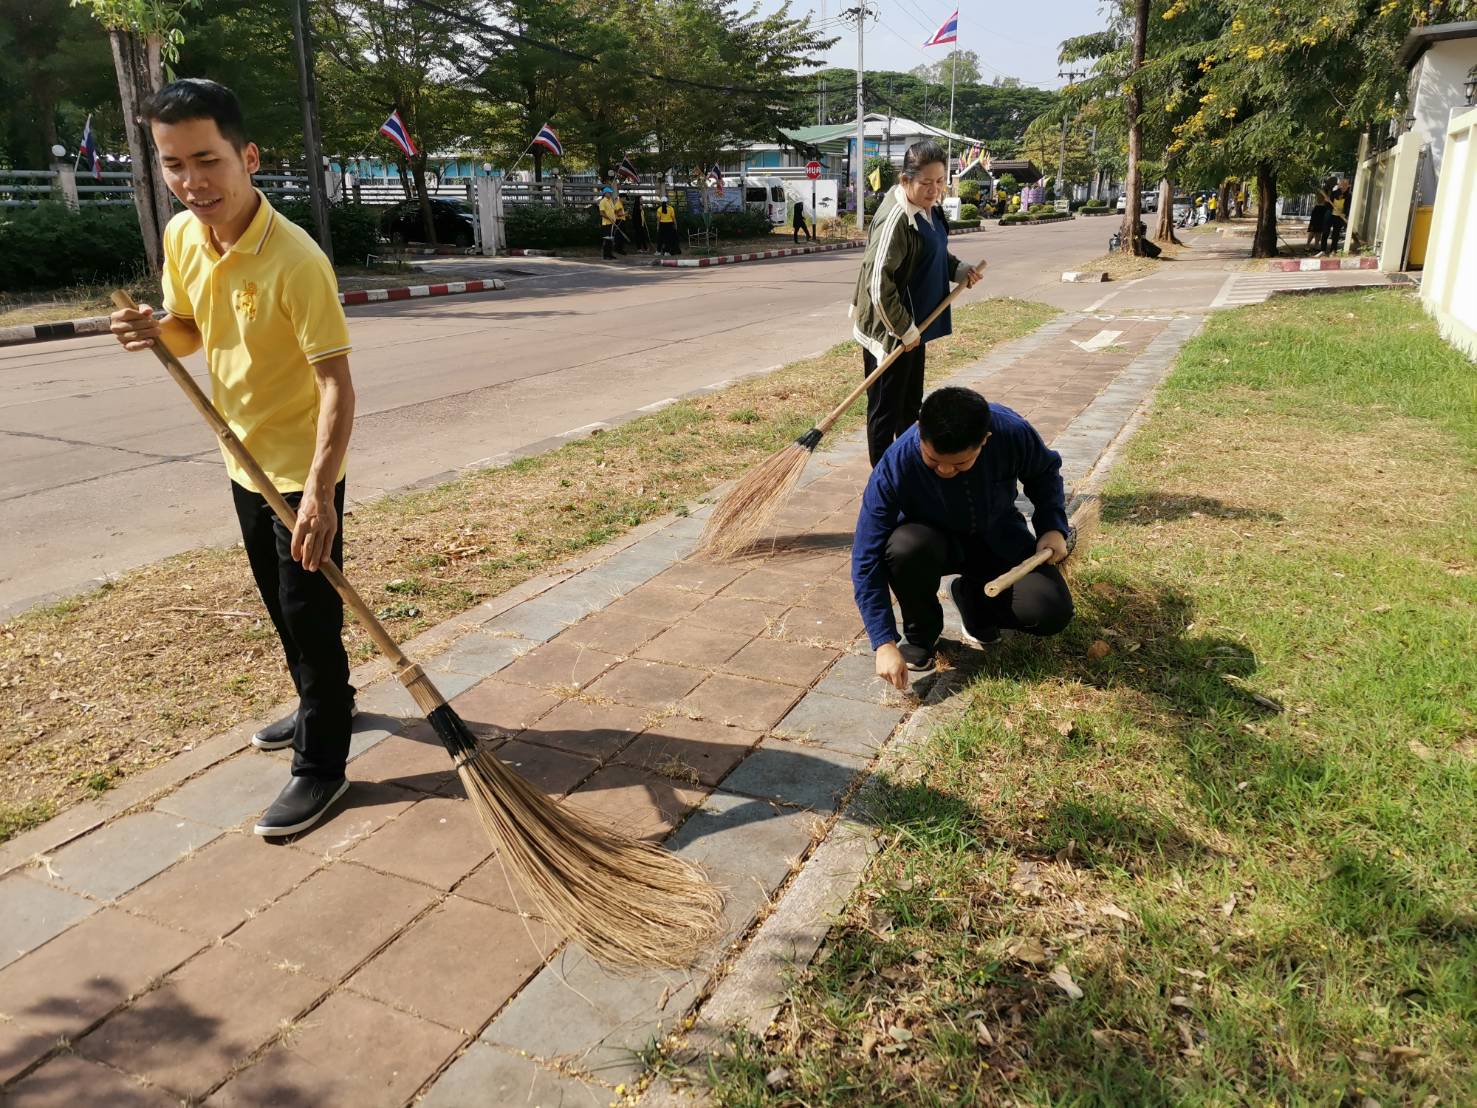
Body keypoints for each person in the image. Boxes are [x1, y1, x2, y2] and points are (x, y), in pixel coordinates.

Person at [108, 79, 357, 838]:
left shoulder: (296, 260)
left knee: (308, 615)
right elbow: (190, 326)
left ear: (248, 156)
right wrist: (157, 331)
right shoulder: (185, 238)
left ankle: (323, 764)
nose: (192, 182)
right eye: (174, 164)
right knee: (280, 607)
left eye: (207, 160)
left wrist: (319, 495)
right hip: (239, 458)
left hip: (301, 469)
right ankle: (325, 701)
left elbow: (337, 386)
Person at [853, 386, 1074, 689]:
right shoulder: (896, 464)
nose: (944, 470)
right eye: (933, 460)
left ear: (984, 440)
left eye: (959, 464)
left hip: (998, 539)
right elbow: (866, 555)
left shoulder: (1012, 431)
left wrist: (1052, 526)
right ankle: (922, 633)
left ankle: (973, 599)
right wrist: (883, 641)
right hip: (930, 543)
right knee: (903, 547)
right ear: (920, 433)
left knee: (1050, 611)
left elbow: (1045, 472)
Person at [850, 140, 984, 467]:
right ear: (905, 180)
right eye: (926, 183)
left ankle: (910, 467)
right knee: (885, 410)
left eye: (940, 181)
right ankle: (884, 481)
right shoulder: (895, 219)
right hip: (890, 328)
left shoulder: (929, 209)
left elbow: (935, 254)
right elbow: (877, 285)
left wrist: (961, 270)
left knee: (910, 405)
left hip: (916, 324)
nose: (934, 189)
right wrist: (903, 330)